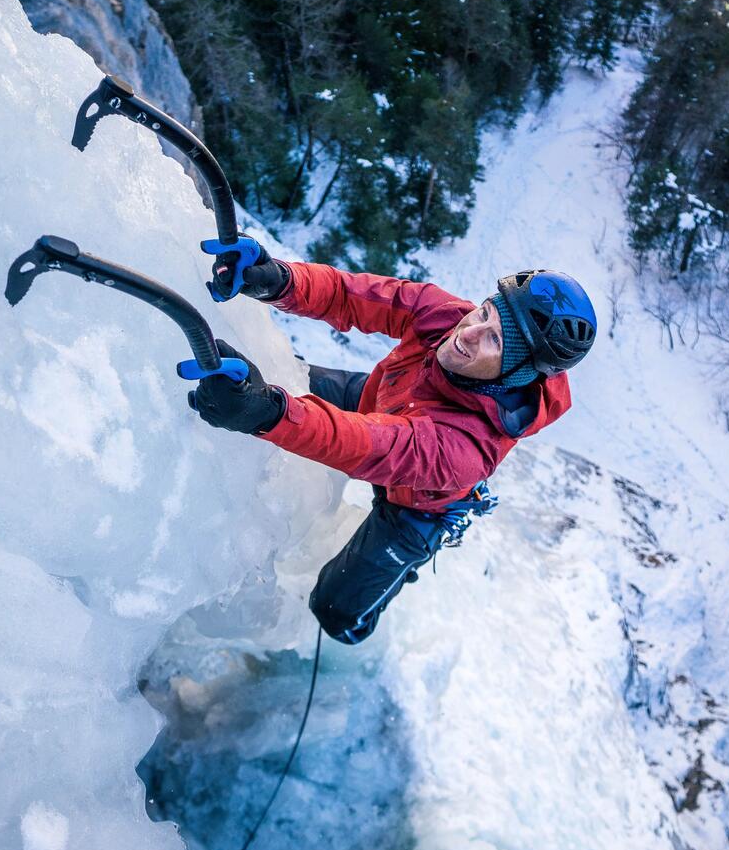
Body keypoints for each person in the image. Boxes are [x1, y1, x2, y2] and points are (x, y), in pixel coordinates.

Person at [190, 246, 596, 644]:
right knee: (280, 379)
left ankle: (395, 572)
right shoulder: (447, 315)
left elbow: (367, 445)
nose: (466, 333)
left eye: (494, 341)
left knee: (335, 613)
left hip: (414, 506)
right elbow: (350, 296)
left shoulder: (468, 448)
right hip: (377, 400)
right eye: (485, 312)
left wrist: (268, 414)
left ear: (518, 374)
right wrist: (279, 280)